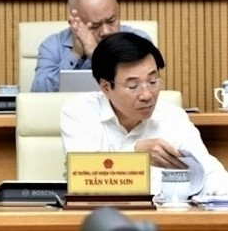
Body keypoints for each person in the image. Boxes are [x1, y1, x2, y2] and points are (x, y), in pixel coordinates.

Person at [61, 31, 228, 195]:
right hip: (98, 217)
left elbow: (209, 172)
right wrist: (136, 154)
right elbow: (82, 175)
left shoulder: (173, 117)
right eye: (133, 86)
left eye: (153, 81)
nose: (147, 95)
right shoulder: (80, 111)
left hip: (162, 219)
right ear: (105, 87)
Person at [31, 0, 151, 92]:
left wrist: (96, 55)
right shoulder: (52, 46)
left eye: (111, 21)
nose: (106, 31)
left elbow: (142, 88)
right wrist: (76, 54)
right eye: (95, 26)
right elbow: (38, 93)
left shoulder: (139, 40)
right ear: (74, 23)